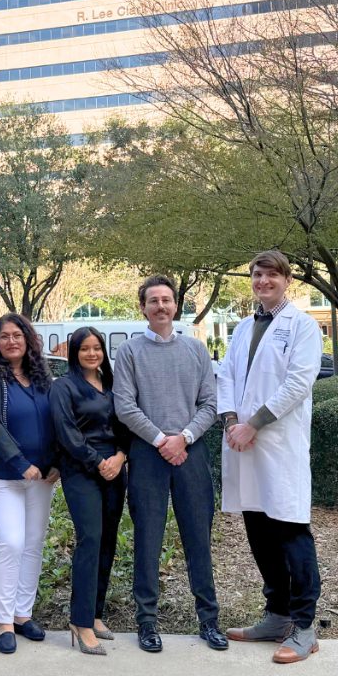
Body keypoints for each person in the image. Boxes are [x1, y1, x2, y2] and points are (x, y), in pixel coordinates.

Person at [218, 251, 324, 664]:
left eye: (271, 275)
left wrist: (254, 424)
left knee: (292, 533)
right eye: (257, 275)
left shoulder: (303, 327)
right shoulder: (244, 327)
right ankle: (277, 616)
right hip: (243, 444)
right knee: (259, 532)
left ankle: (304, 627)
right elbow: (226, 374)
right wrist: (231, 422)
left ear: (287, 280)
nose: (263, 281)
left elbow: (299, 381)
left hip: (278, 445)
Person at [114, 275, 226, 653]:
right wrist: (162, 440)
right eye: (153, 301)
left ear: (176, 305)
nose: (160, 306)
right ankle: (147, 622)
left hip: (190, 452)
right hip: (148, 453)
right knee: (148, 538)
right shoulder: (129, 352)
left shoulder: (195, 350)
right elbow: (125, 406)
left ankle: (209, 620)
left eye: (166, 300)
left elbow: (209, 404)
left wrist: (185, 438)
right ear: (142, 307)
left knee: (198, 538)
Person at [0, 313, 59, 655]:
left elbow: (56, 421)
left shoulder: (41, 377)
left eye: (17, 335)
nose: (11, 341)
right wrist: (22, 464)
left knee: (34, 543)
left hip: (42, 476)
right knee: (11, 542)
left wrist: (56, 462)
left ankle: (23, 614)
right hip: (3, 474)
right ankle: (3, 620)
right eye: (4, 336)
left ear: (28, 340)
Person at [50, 326, 129, 657]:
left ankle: (95, 614)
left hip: (116, 466)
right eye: (85, 348)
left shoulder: (113, 385)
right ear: (74, 353)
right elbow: (67, 434)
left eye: (97, 348)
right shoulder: (64, 387)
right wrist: (100, 462)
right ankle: (80, 622)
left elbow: (127, 424)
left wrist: (121, 457)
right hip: (82, 470)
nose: (92, 353)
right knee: (91, 539)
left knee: (108, 540)